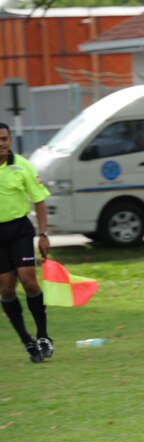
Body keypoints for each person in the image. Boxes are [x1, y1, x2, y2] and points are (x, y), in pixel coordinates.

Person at [0, 123, 53, 363]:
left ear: (10, 140)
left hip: (19, 229)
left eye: (3, 139)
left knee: (29, 281)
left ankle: (43, 336)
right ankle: (26, 340)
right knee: (6, 288)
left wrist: (43, 234)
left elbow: (39, 200)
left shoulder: (23, 165)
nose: (0, 143)